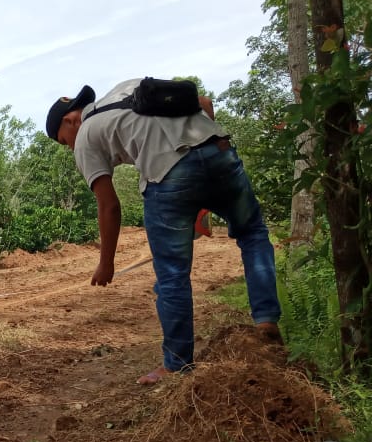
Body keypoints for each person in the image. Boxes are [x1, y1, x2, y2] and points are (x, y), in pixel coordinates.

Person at [45, 79, 281, 385]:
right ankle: (265, 322)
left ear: (70, 120)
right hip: (218, 151)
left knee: (172, 274)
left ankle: (176, 364)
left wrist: (106, 263)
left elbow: (109, 207)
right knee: (252, 234)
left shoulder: (87, 135)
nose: (70, 147)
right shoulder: (127, 88)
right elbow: (205, 104)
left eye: (65, 141)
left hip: (169, 175)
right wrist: (201, 189)